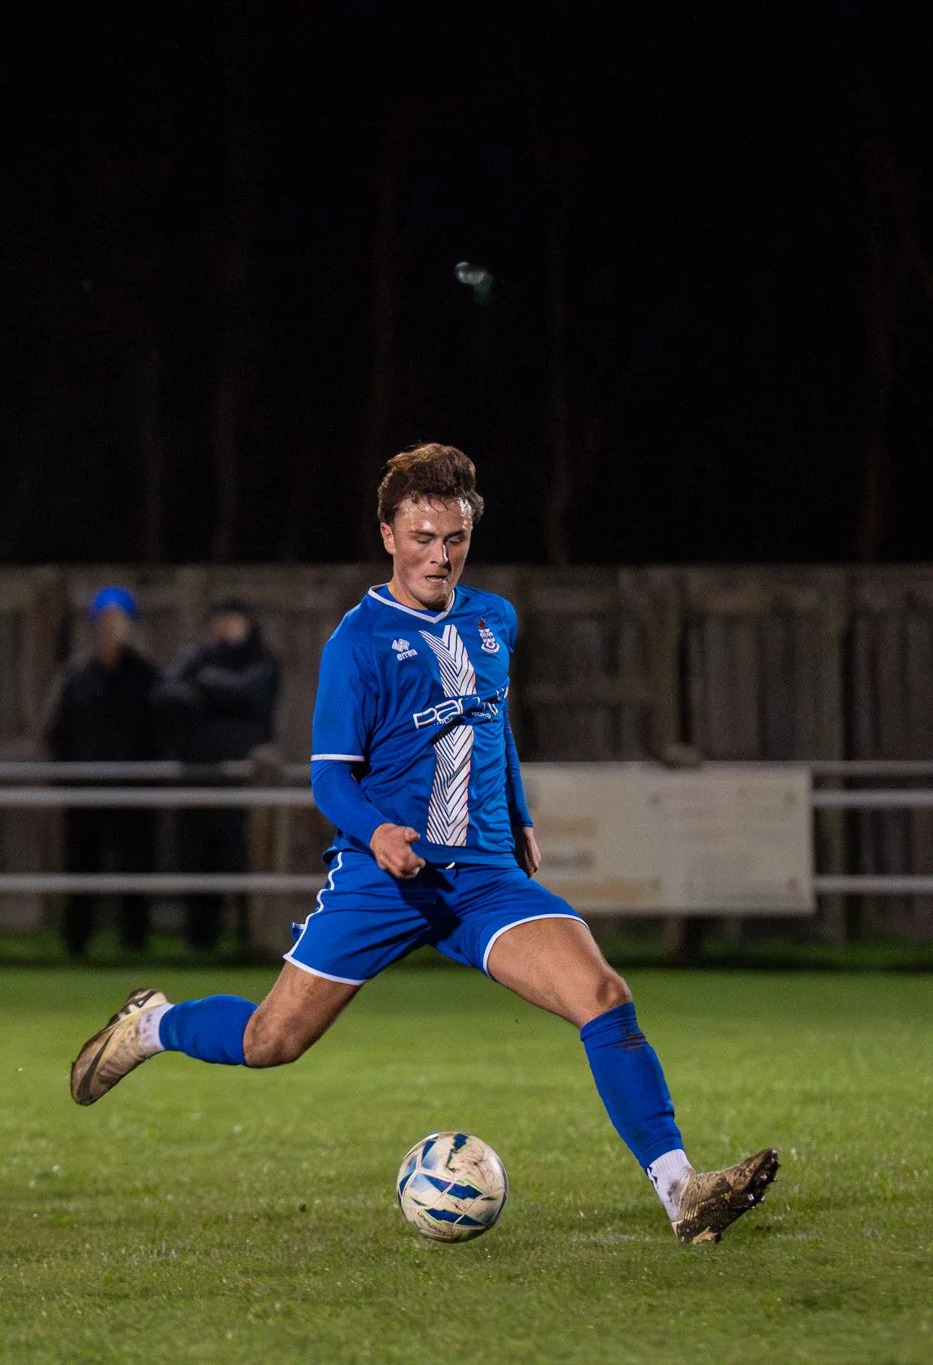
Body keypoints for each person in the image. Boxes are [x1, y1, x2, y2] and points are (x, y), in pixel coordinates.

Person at [70, 444, 777, 1245]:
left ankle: (684, 1191)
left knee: (604, 996)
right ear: (388, 534)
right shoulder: (358, 644)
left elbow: (493, 721)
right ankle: (155, 1023)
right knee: (274, 1040)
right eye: (423, 538)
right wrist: (375, 832)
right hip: (383, 879)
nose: (440, 555)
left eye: (454, 538)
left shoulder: (493, 619)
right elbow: (331, 780)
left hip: (483, 879)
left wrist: (519, 813)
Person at [155, 598, 280, 951]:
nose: (224, 627)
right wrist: (217, 699)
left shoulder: (260, 662)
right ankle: (200, 940)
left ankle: (247, 938)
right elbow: (167, 698)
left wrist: (204, 689)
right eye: (218, 620)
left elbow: (250, 697)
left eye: (232, 620)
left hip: (242, 781)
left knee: (241, 860)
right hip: (196, 775)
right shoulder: (195, 657)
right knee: (194, 857)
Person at [44, 586, 160, 957]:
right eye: (105, 620)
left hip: (134, 790)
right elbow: (56, 731)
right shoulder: (78, 677)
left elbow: (162, 728)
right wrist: (68, 775)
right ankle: (76, 942)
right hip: (86, 789)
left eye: (119, 620)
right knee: (81, 867)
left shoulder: (146, 677)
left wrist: (148, 772)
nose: (112, 628)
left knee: (136, 867)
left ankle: (135, 941)